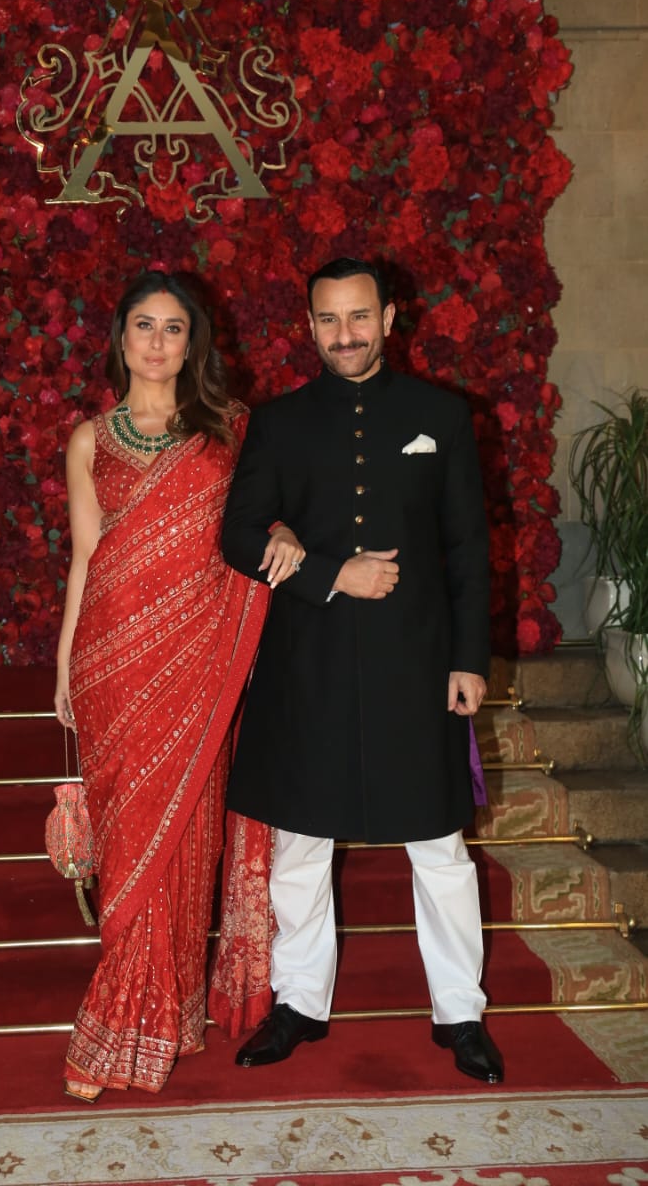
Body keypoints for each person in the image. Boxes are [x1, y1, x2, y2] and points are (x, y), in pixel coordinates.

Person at [216, 256, 503, 1085]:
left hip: (417, 663)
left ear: (388, 319)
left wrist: (468, 661)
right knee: (299, 846)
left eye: (358, 317)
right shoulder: (278, 422)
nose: (344, 335)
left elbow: (467, 549)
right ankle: (298, 1003)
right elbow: (237, 534)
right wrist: (330, 573)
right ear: (309, 325)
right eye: (328, 319)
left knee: (438, 846)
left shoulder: (439, 416)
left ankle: (460, 1013)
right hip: (307, 662)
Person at [53, 271, 278, 1102]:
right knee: (128, 843)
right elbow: (85, 556)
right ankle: (131, 1014)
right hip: (111, 657)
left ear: (193, 342)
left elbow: (261, 524)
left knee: (183, 837)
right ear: (121, 339)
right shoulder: (89, 439)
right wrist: (65, 665)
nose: (155, 342)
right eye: (142, 325)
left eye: (172, 327)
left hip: (196, 659)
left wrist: (283, 531)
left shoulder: (232, 430)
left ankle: (151, 1017)